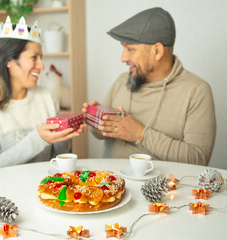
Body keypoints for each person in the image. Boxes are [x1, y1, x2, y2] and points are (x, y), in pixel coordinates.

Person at [83, 7, 216, 166]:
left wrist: (139, 134)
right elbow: (99, 134)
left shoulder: (196, 91)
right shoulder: (122, 81)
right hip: (113, 182)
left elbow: (198, 159)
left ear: (158, 51)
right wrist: (100, 123)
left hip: (166, 188)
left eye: (130, 49)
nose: (123, 58)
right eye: (123, 48)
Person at [0, 17, 84, 172]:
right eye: (34, 57)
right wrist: (39, 138)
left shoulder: (46, 97)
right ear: (9, 61)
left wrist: (66, 134)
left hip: (41, 190)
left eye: (41, 58)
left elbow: (57, 160)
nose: (41, 65)